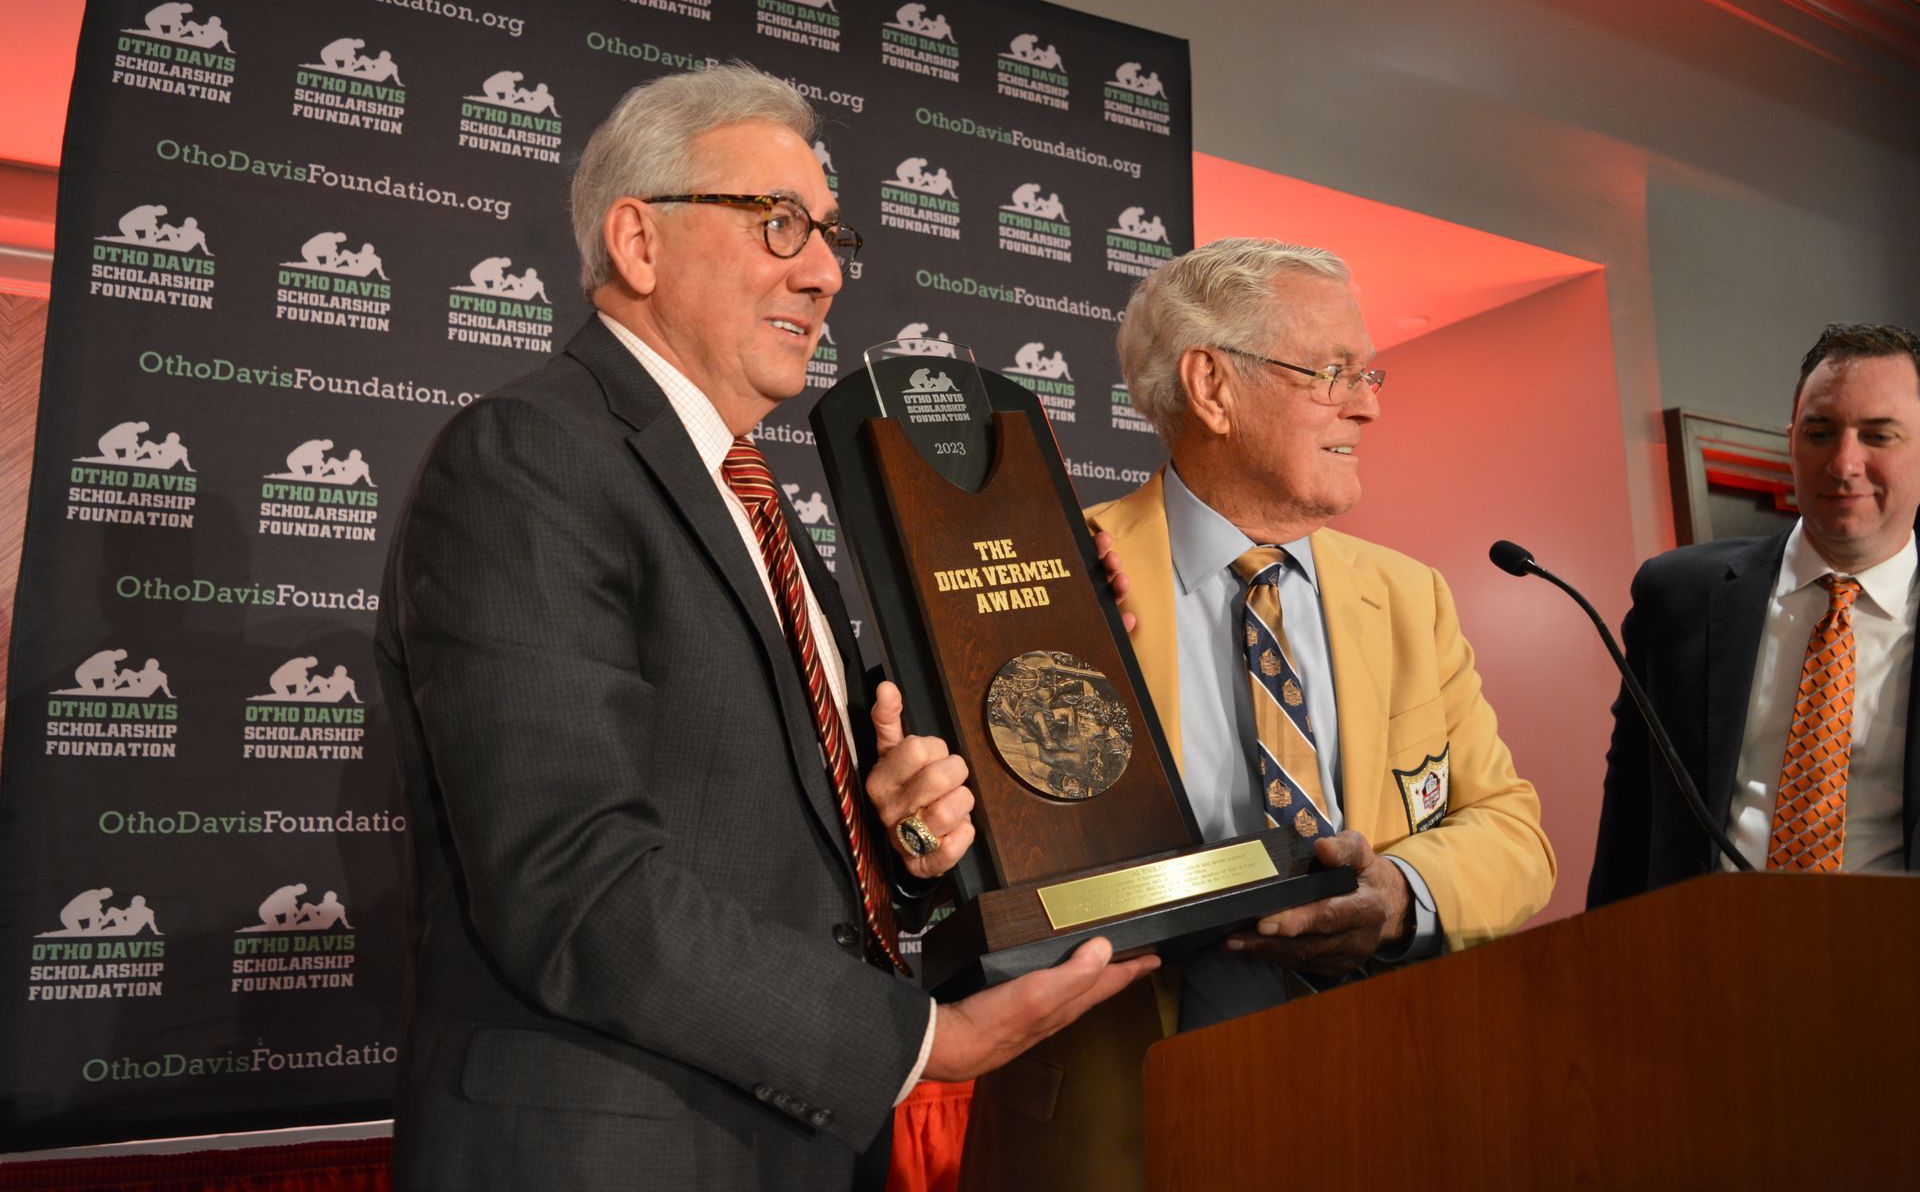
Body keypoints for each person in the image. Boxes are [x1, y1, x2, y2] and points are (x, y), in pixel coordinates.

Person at [374, 64, 1155, 1192]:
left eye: (832, 233)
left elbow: (773, 845)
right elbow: (570, 880)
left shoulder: (753, 499)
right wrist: (925, 1042)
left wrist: (909, 842)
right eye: (779, 223)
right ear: (638, 242)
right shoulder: (528, 455)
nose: (828, 271)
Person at [959, 238, 1556, 1191]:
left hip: (1382, 1105)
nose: (1367, 403)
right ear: (1211, 386)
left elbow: (1513, 832)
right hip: (1115, 1133)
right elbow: (968, 855)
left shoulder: (1411, 597)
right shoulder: (1044, 572)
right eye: (1332, 372)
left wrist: (1399, 892)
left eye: (1369, 374)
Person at [1590, 324, 1920, 904]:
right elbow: (1628, 825)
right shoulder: (1677, 596)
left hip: (1894, 973)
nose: (1844, 464)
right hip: (1708, 966)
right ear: (1791, 441)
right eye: (1821, 432)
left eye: (1878, 436)